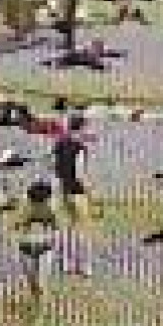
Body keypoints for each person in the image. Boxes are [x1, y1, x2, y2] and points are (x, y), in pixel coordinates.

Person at [52, 117, 92, 277]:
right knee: (83, 229)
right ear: (81, 128)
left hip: (62, 189)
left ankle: (66, 264)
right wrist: (89, 191)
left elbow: (53, 167)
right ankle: (85, 266)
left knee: (66, 229)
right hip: (77, 191)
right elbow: (79, 173)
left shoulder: (59, 145)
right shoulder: (80, 148)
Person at [15, 181, 60, 308]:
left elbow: (58, 227)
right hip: (26, 247)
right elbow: (14, 225)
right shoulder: (24, 207)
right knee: (33, 283)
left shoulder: (52, 208)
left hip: (45, 248)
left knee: (41, 283)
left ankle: (40, 311)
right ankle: (36, 302)